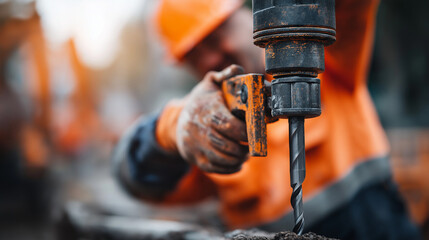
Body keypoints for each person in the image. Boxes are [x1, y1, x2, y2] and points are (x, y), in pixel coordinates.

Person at [113, 0, 420, 239]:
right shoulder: (206, 130)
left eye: (214, 37)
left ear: (249, 14)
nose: (208, 60)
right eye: (193, 56)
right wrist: (172, 131)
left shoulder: (333, 59)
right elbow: (133, 178)